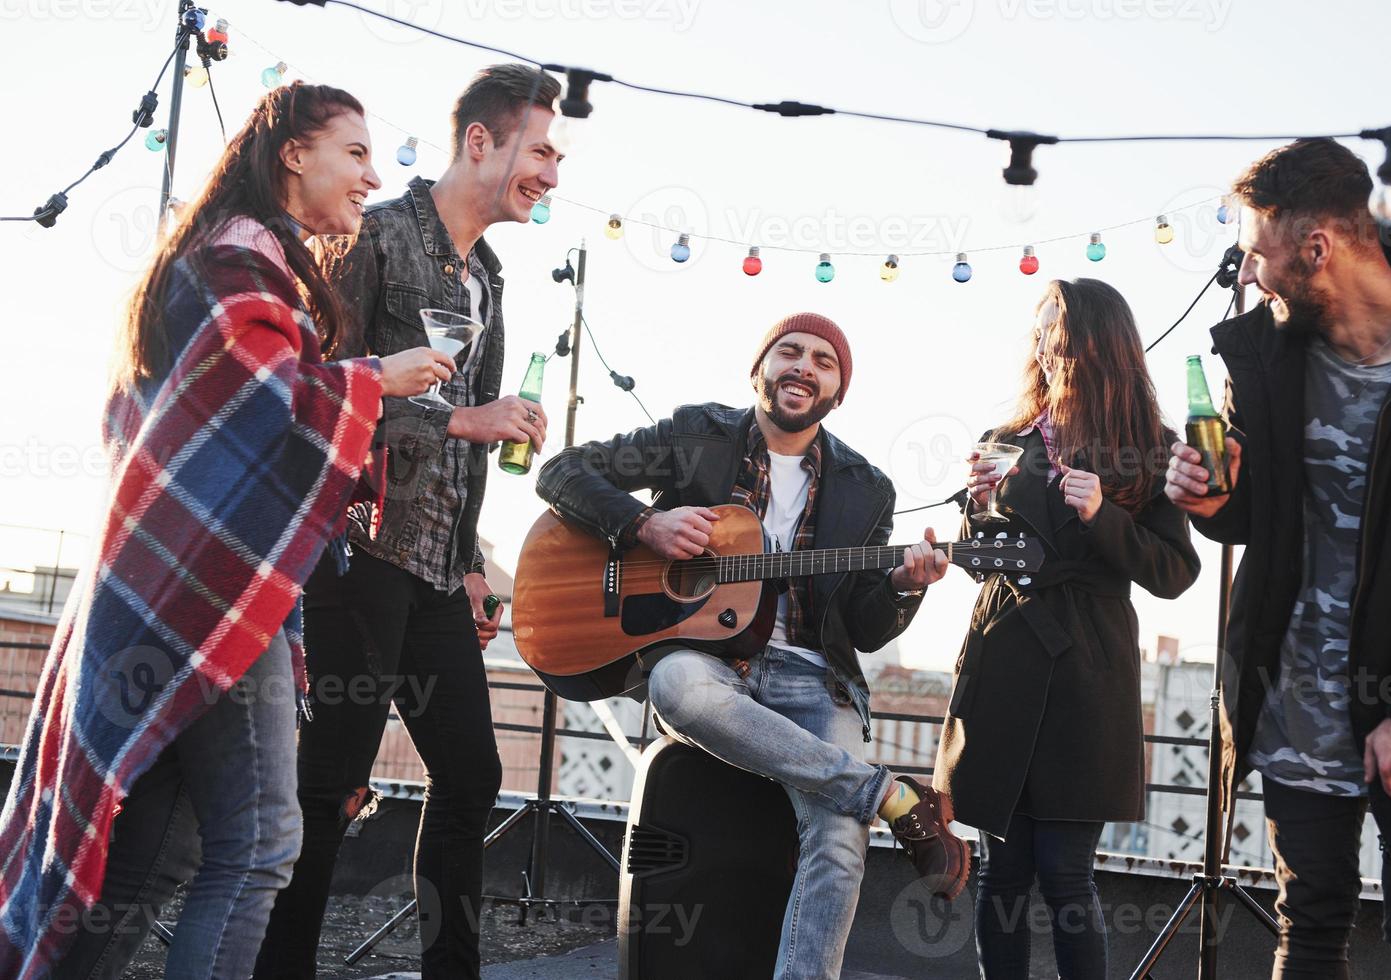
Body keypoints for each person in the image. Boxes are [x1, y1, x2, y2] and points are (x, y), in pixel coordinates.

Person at [0, 82, 454, 980]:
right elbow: (255, 405)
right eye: (355, 153)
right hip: (212, 588)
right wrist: (373, 379)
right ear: (294, 153)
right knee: (258, 848)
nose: (372, 175)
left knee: (155, 854)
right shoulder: (239, 255)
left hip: (174, 582)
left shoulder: (239, 257)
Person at [536, 312, 968, 980]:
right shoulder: (693, 435)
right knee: (673, 686)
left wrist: (905, 586)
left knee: (837, 839)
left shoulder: (866, 489)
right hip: (705, 662)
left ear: (837, 391)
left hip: (811, 674)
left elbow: (862, 626)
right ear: (759, 369)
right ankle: (885, 794)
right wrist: (644, 523)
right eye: (789, 352)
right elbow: (561, 472)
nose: (804, 367)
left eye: (823, 362)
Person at [253, 64, 559, 979]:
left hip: (433, 575)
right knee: (332, 785)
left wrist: (468, 561)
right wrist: (464, 418)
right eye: (539, 150)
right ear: (481, 141)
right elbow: (316, 398)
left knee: (471, 778)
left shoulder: (491, 282)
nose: (550, 173)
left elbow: (467, 449)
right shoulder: (374, 238)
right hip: (355, 553)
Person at [1165, 138, 1391, 978]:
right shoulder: (1265, 353)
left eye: (1258, 254)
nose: (1251, 276)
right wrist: (1211, 500)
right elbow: (1256, 518)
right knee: (1310, 924)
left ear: (1316, 248)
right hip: (1296, 696)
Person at [934, 278, 1200, 979]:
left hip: (1087, 672)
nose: (1047, 350)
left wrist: (1100, 516)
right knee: (1001, 875)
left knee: (1065, 877)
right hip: (1002, 661)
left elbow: (1174, 572)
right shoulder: (1006, 439)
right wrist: (978, 507)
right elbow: (974, 561)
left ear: (1099, 344)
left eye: (1060, 336)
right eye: (1041, 337)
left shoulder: (1152, 446)